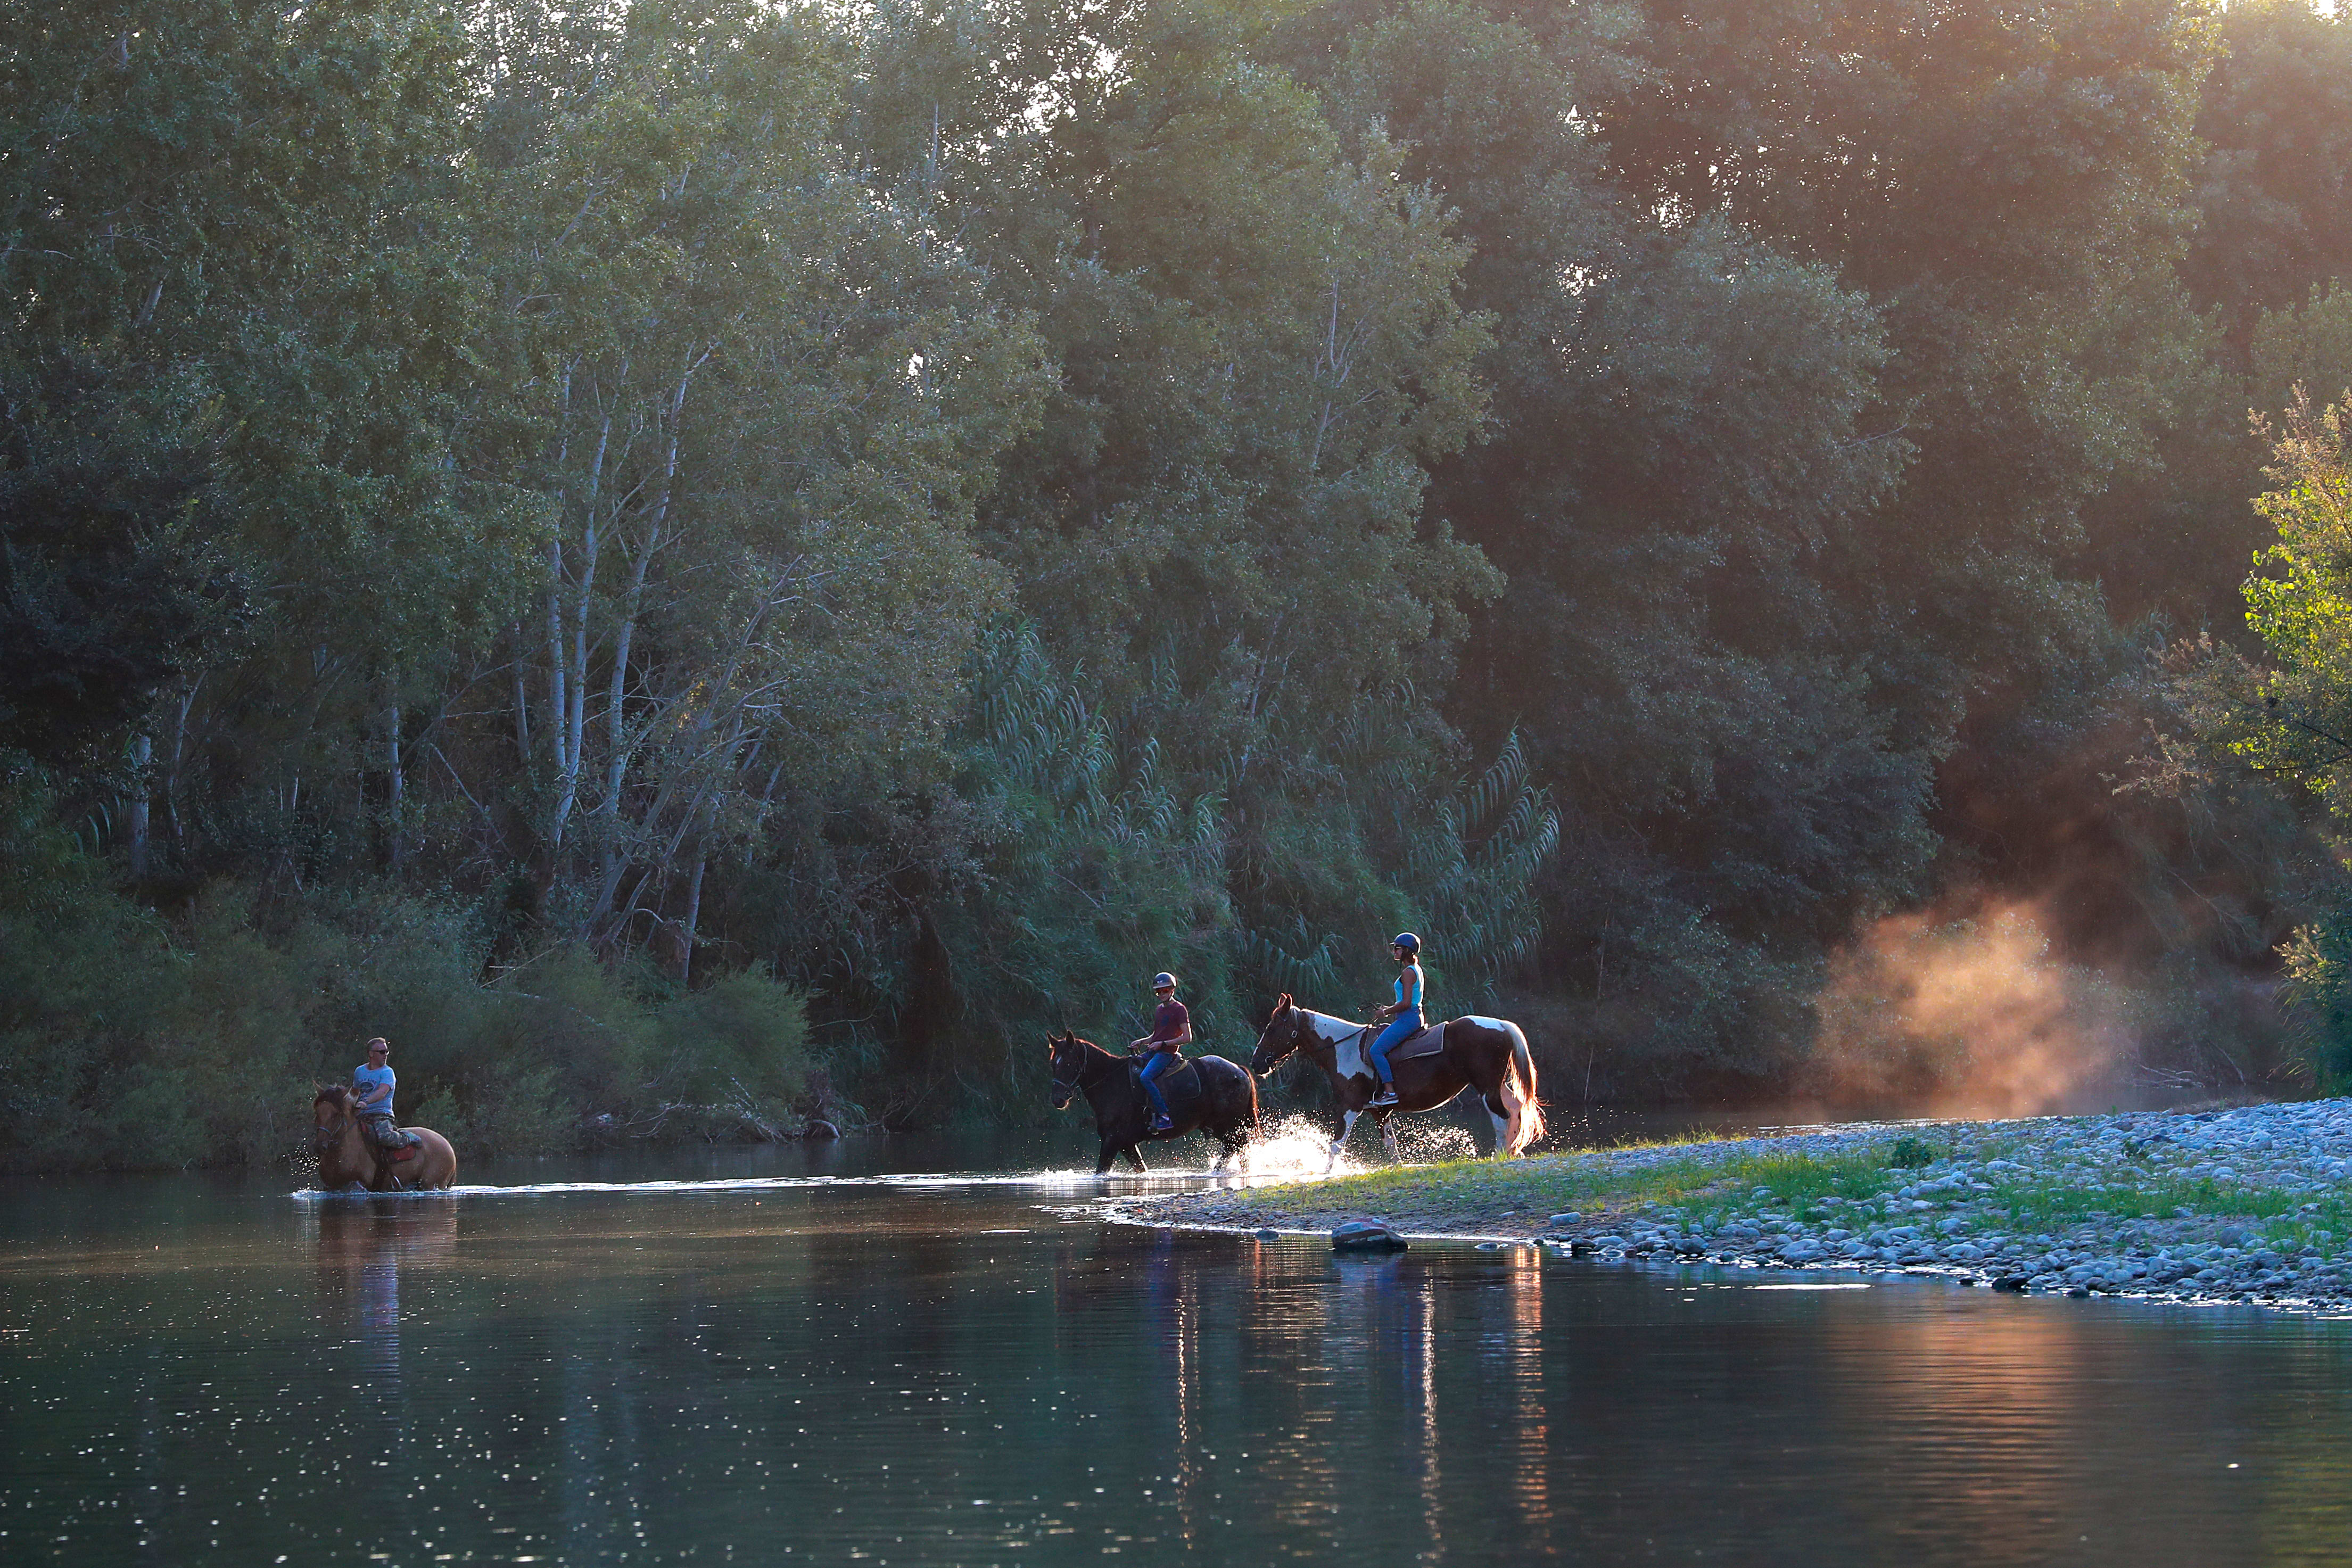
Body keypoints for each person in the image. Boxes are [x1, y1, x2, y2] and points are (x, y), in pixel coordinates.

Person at [1128, 972, 1192, 1133]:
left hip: (1166, 1054)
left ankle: (1164, 1116)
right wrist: (1141, 1042)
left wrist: (1163, 1044)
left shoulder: (1179, 1010)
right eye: (1159, 991)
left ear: (1172, 990)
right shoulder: (1159, 1010)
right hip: (1154, 1051)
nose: (1162, 994)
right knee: (1130, 1067)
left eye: (1165, 990)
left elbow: (1187, 1037)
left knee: (1145, 1077)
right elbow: (1156, 1036)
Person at [1367, 934, 1424, 1108]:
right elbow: (1407, 1001)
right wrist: (1390, 1007)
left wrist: (1384, 1012)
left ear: (1406, 950)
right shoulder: (1416, 969)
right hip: (1413, 1016)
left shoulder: (1408, 973)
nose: (1394, 951)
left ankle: (1390, 1092)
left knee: (1376, 1051)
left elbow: (1406, 1003)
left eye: (1397, 948)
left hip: (1408, 1018)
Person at [350, 1037, 416, 1177]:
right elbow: (355, 1092)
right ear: (371, 1054)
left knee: (385, 1137)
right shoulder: (360, 1071)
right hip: (361, 1114)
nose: (385, 1055)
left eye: (386, 1052)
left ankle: (408, 1138)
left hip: (381, 1114)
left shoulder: (387, 1072)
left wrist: (365, 1102)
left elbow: (382, 1092)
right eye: (381, 1052)